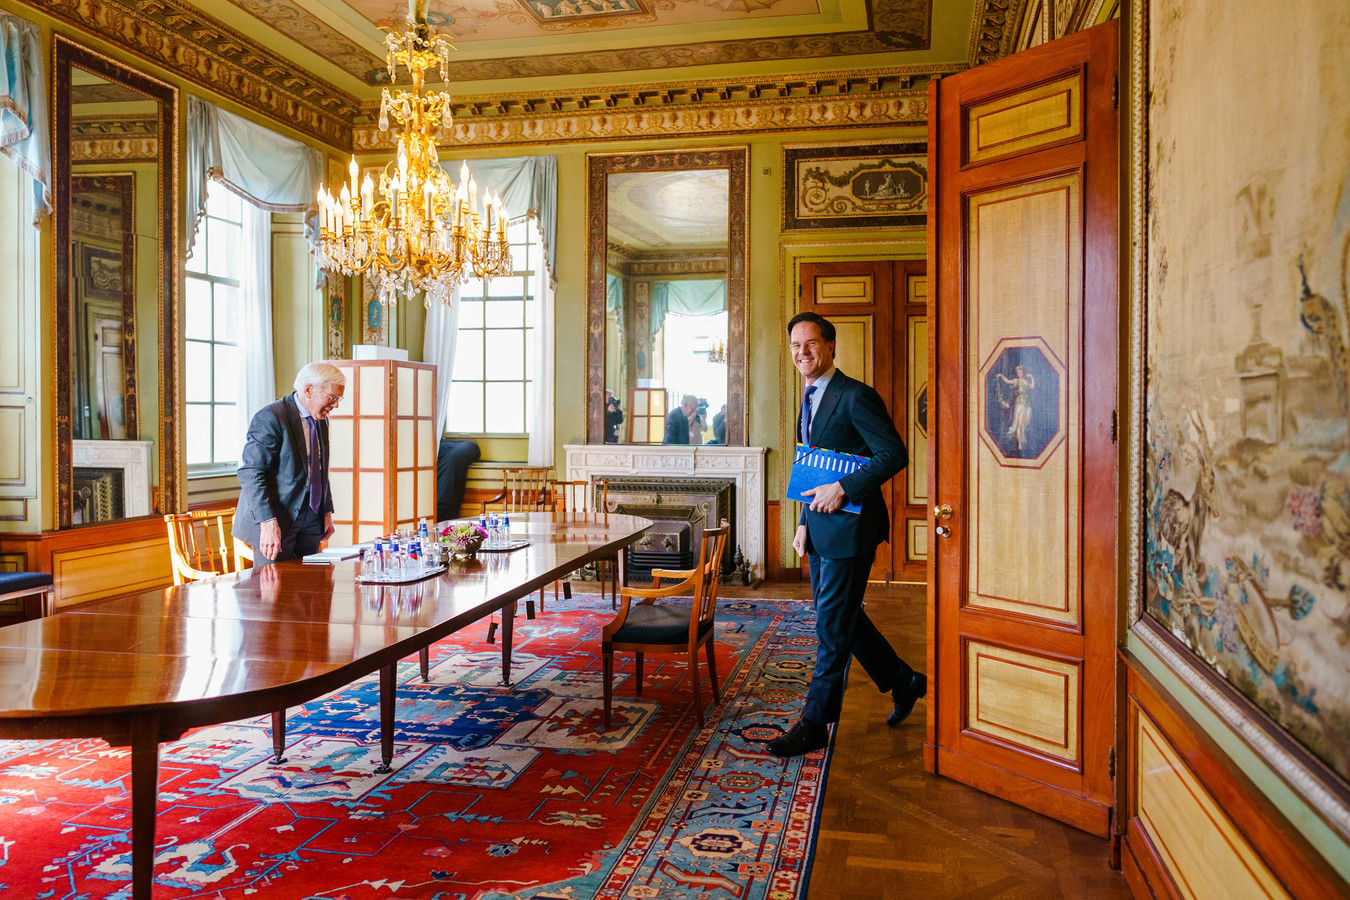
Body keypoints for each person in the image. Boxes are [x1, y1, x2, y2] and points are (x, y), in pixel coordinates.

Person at [770, 312, 926, 757]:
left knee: (831, 628)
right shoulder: (808, 396)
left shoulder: (856, 395)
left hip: (852, 529)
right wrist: (803, 522)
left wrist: (843, 487)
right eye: (796, 345)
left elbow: (893, 454)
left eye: (811, 343)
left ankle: (814, 725)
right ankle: (904, 681)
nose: (802, 352)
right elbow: (811, 463)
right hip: (819, 528)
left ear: (831, 346)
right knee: (841, 618)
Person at [233, 362, 346, 565]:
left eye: (339, 399)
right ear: (308, 390)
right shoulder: (271, 417)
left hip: (311, 518)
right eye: (332, 397)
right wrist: (267, 523)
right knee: (273, 583)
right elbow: (251, 473)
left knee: (309, 582)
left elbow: (319, 469)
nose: (336, 405)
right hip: (276, 518)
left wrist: (326, 511)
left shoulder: (321, 419)